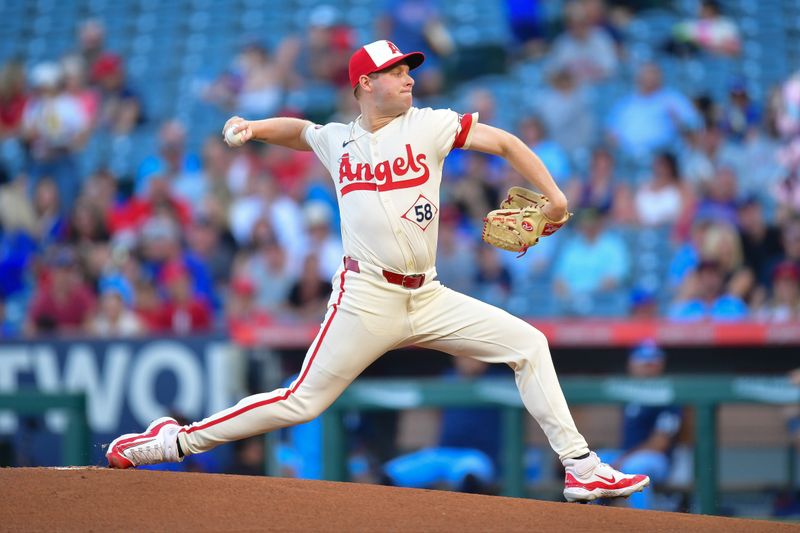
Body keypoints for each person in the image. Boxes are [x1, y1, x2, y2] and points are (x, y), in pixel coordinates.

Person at [106, 40, 649, 503]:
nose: (408, 77)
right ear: (366, 84)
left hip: (430, 295)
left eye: (408, 69)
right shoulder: (339, 141)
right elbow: (301, 131)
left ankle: (580, 466)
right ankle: (174, 441)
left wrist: (555, 200)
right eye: (396, 71)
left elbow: (504, 142)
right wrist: (255, 128)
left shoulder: (429, 126)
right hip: (365, 296)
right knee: (302, 401)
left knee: (529, 344)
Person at [601, 341, 683, 510]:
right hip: (626, 453)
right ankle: (585, 519)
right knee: (593, 462)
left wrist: (622, 460)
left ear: (660, 365)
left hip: (657, 460)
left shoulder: (668, 394)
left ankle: (641, 522)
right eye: (644, 363)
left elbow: (660, 443)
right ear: (631, 364)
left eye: (653, 363)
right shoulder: (628, 393)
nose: (648, 367)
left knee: (634, 467)